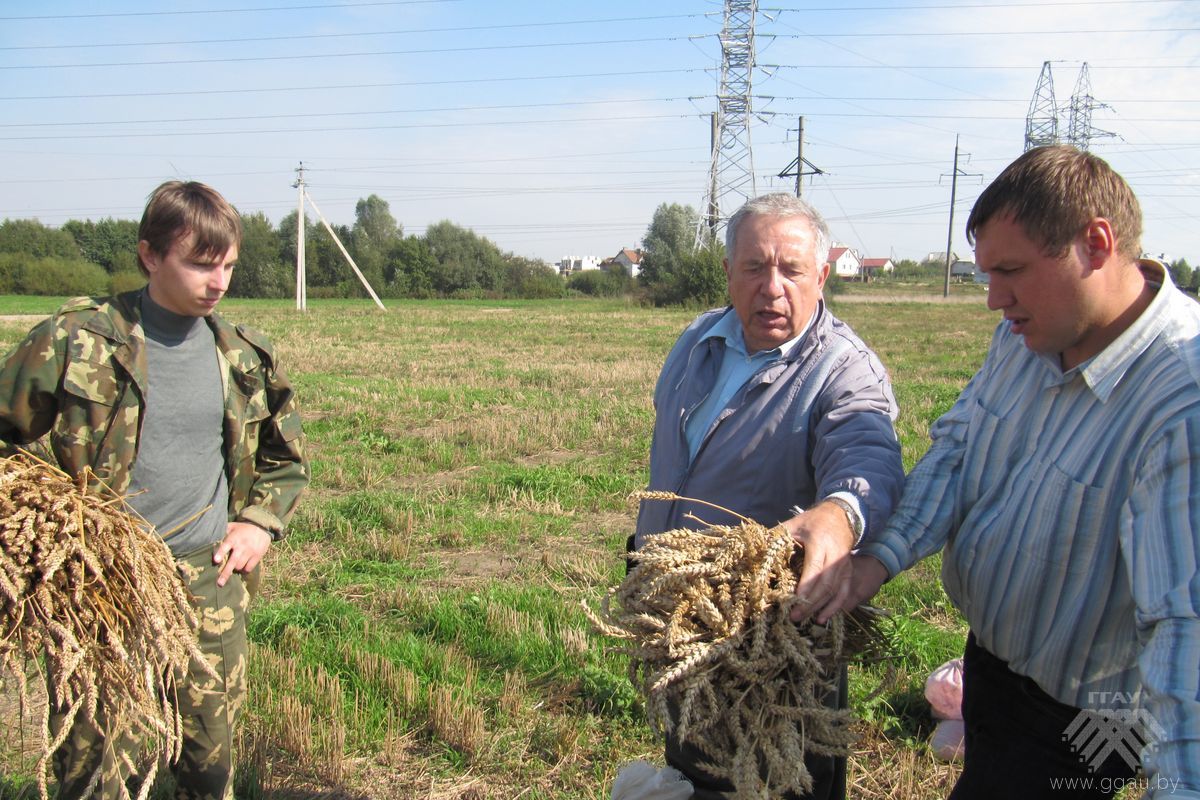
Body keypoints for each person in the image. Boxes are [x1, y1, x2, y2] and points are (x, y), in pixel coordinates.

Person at [846, 145, 1200, 798]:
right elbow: (958, 451)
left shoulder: (1181, 401)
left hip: (1091, 719)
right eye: (987, 274)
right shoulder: (1025, 336)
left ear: (1095, 244)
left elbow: (1185, 628)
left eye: (1010, 271)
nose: (993, 300)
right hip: (992, 664)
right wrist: (878, 559)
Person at [0, 180, 309, 798]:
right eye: (201, 263)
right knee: (94, 767)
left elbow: (285, 457)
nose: (218, 281)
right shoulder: (76, 340)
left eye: (227, 265)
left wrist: (257, 522)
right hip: (99, 586)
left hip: (208, 580)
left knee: (208, 762)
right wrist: (42, 533)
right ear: (149, 255)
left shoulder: (244, 356)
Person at [633, 192, 905, 799]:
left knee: (783, 783)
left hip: (773, 646)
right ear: (729, 273)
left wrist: (840, 514)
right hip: (688, 626)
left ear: (823, 275)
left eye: (792, 269)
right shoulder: (698, 340)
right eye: (754, 268)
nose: (772, 287)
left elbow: (869, 453)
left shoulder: (843, 370)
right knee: (694, 775)